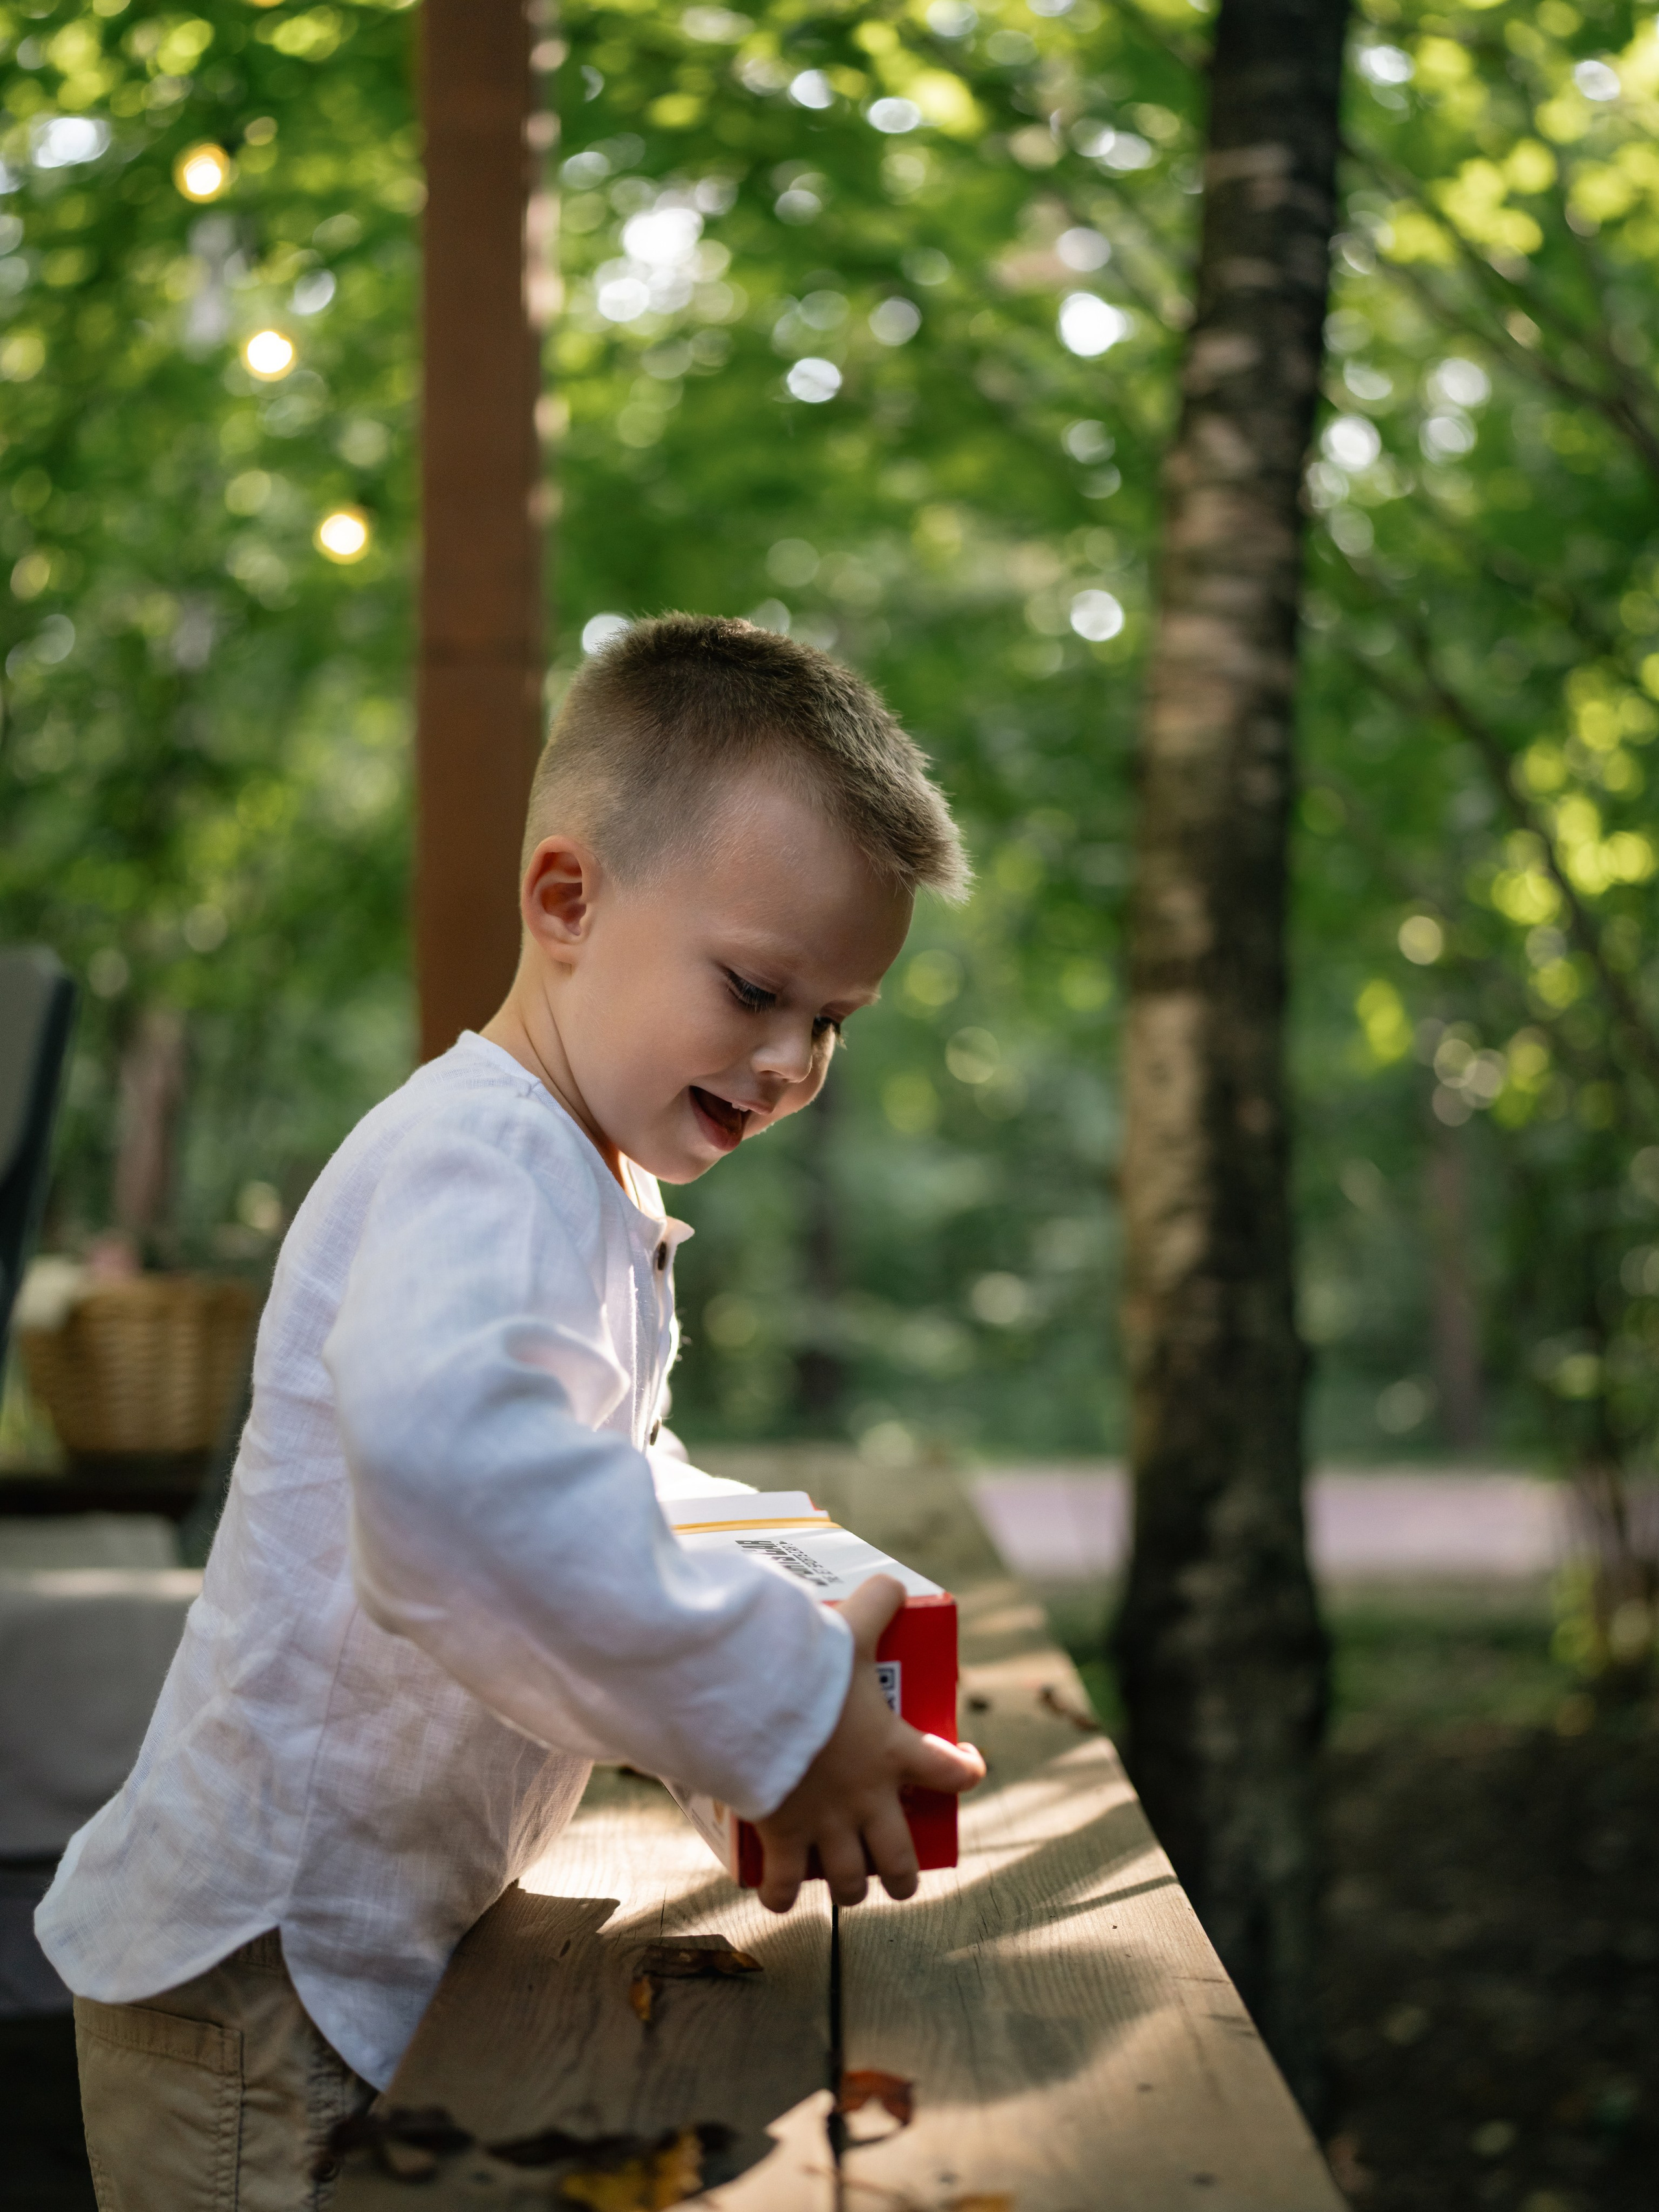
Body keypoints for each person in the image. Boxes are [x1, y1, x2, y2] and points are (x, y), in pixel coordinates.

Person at [38, 614, 985, 2211]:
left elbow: (591, 1483)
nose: (788, 1061)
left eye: (832, 1019)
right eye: (756, 987)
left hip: (350, 1956)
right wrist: (765, 1699)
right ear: (567, 901)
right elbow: (452, 1487)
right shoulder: (478, 1162)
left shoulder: (576, 1173)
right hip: (258, 1991)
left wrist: (763, 1671)